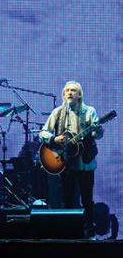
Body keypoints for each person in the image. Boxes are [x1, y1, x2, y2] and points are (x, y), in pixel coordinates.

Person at [40, 81, 103, 238]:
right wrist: (55, 139)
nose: (70, 93)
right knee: (66, 199)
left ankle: (89, 232)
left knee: (87, 199)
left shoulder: (89, 111)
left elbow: (98, 135)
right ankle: (67, 232)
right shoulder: (58, 112)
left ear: (79, 94)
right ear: (63, 95)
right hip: (65, 162)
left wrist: (97, 130)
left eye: (73, 90)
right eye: (67, 90)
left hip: (85, 162)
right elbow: (43, 132)